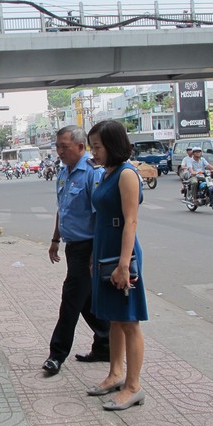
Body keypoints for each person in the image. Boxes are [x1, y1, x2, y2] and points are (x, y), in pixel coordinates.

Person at [86, 119, 148, 411]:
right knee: (113, 317)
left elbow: (130, 221)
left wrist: (124, 265)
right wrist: (93, 257)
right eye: (92, 147)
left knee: (128, 319)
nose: (94, 153)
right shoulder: (106, 172)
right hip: (104, 251)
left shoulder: (126, 174)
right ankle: (115, 374)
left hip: (121, 254)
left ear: (112, 144)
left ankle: (134, 386)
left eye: (97, 147)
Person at [42, 126, 110, 376]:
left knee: (70, 300)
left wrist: (96, 253)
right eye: (57, 146)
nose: (59, 152)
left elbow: (101, 216)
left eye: (64, 147)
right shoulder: (63, 173)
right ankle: (106, 342)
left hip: (89, 248)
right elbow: (64, 208)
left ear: (80, 147)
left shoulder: (93, 174)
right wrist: (55, 239)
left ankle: (56, 354)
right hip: (73, 248)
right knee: (86, 301)